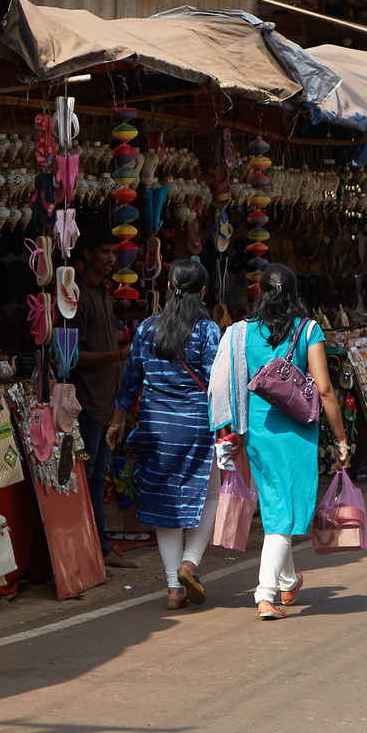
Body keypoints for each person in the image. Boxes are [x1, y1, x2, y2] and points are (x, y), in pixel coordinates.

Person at [207, 262, 350, 619]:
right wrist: (341, 438)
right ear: (295, 293)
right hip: (297, 433)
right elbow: (326, 390)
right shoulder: (308, 330)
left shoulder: (241, 333)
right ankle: (265, 593)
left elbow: (224, 381)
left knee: (276, 506)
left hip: (257, 430)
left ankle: (287, 582)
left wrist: (233, 430)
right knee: (283, 512)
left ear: (260, 292)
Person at [117, 258, 223, 610]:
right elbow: (216, 383)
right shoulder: (208, 331)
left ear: (167, 288)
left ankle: (172, 589)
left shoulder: (147, 329)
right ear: (203, 292)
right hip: (195, 424)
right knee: (210, 495)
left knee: (166, 502)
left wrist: (118, 421)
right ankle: (189, 563)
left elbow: (131, 378)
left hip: (155, 426)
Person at [75, 283, 135, 568]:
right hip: (90, 400)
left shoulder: (101, 294)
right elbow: (74, 355)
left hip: (105, 401)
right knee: (87, 478)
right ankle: (89, 547)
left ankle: (100, 545)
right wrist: (117, 356)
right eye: (105, 252)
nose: (111, 258)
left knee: (97, 478)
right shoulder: (83, 296)